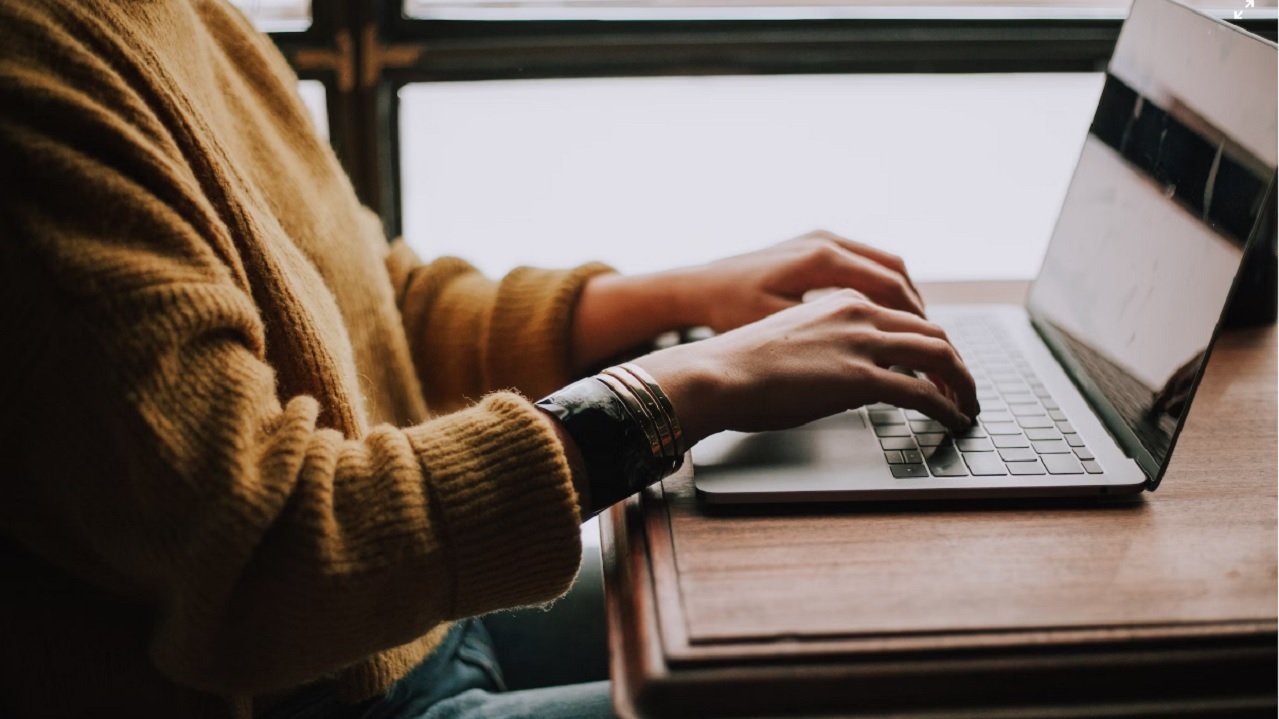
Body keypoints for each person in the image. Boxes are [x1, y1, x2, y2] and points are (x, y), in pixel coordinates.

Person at [0, 1, 978, 717]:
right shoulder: (30, 82)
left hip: (401, 626)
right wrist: (682, 387)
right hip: (311, 687)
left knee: (907, 625)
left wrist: (678, 298)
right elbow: (265, 558)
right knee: (897, 697)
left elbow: (372, 309)